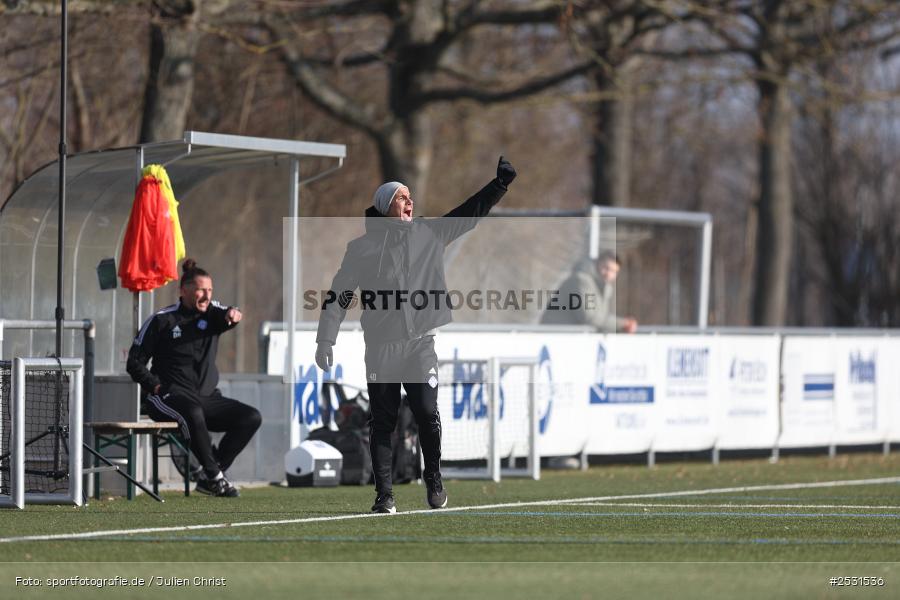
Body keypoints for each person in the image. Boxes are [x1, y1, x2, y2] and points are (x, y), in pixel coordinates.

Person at [315, 156, 517, 514]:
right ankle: (385, 496)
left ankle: (434, 478)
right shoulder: (361, 249)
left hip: (420, 343)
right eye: (401, 197)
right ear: (384, 206)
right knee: (384, 422)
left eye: (410, 197)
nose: (409, 201)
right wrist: (325, 339)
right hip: (381, 349)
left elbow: (469, 213)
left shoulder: (428, 233)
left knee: (426, 411)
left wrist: (498, 186)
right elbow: (339, 296)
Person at [127, 258, 262, 497]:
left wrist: (234, 313)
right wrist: (155, 387)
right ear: (183, 290)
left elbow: (227, 313)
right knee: (192, 412)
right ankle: (215, 478)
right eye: (200, 289)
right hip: (167, 397)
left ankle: (211, 473)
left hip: (205, 398)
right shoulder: (161, 320)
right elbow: (134, 363)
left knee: (250, 417)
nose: (206, 295)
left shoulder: (211, 315)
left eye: (209, 290)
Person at [541, 251, 638, 333]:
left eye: (614, 271)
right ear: (597, 263)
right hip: (555, 336)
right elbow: (589, 317)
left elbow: (599, 319)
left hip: (571, 337)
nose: (608, 274)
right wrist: (622, 324)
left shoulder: (604, 287)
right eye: (606, 268)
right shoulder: (581, 281)